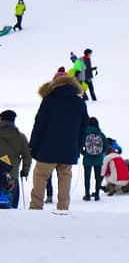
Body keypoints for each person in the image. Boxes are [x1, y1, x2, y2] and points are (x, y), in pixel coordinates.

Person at [28, 67, 89, 210]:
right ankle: (63, 209)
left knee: (40, 176)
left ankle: (36, 208)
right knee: (65, 177)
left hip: (47, 150)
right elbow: (83, 127)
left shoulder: (49, 100)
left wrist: (33, 146)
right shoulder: (79, 102)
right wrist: (78, 147)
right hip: (69, 150)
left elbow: (39, 125)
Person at [0, 108, 33, 208]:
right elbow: (27, 156)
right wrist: (25, 171)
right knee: (12, 207)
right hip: (12, 176)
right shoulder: (20, 137)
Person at [80, 116, 107, 201]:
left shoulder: (85, 133)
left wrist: (84, 153)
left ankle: (87, 195)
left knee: (87, 178)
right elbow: (106, 147)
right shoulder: (101, 134)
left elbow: (80, 145)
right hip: (98, 159)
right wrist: (101, 153)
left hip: (87, 159)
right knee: (97, 177)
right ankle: (97, 194)